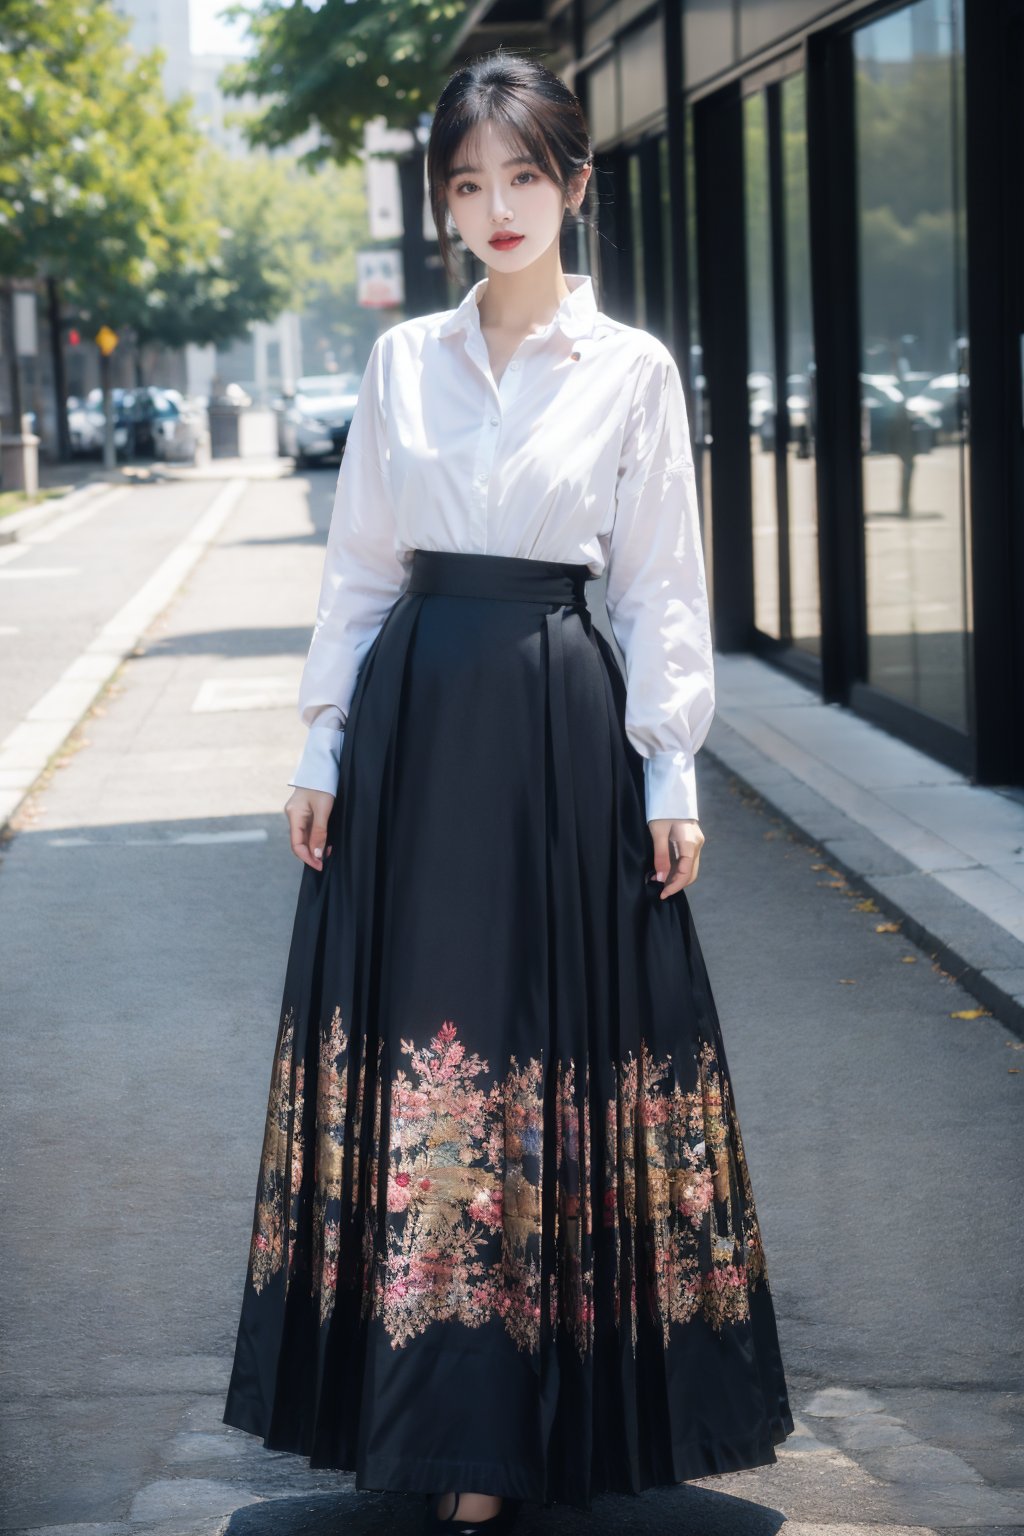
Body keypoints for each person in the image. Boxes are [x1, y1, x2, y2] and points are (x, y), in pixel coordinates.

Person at [222, 49, 795, 1536]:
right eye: (469, 185)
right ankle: (439, 1419)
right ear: (442, 206)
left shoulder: (632, 371)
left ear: (574, 185)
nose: (497, 207)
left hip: (556, 728)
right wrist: (317, 746)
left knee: (560, 1045)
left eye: (522, 177)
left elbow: (666, 583)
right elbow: (357, 569)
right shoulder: (403, 361)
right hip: (415, 731)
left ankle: (556, 1409)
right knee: (429, 1049)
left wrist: (672, 766)